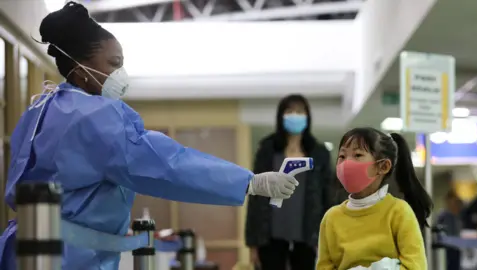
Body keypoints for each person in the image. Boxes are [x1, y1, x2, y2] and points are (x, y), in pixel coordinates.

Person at [0, 2, 300, 270]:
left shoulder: (39, 110)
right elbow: (165, 164)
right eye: (114, 64)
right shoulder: (94, 116)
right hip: (67, 259)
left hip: (24, 252)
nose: (121, 73)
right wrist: (249, 182)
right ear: (80, 71)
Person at [317, 127, 433, 270]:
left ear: (383, 166)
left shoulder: (398, 212)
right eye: (342, 156)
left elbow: (416, 266)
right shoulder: (331, 218)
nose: (346, 163)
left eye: (357, 155)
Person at [245, 94, 332, 270]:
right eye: (290, 111)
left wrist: (326, 239)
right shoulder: (267, 150)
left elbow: (327, 197)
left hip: (307, 237)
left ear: (307, 117)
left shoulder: (318, 153)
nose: (295, 115)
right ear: (280, 116)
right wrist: (253, 243)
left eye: (300, 111)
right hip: (269, 236)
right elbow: (255, 195)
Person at [436, 190, 463, 270]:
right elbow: (438, 231)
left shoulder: (460, 214)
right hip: (447, 248)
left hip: (458, 247)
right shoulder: (443, 215)